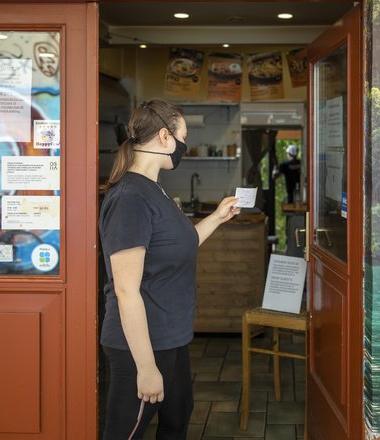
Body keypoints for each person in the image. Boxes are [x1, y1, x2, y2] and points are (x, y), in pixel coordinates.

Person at [99, 99, 240, 440]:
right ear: (165, 136)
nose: (183, 146)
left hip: (170, 337)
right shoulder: (130, 198)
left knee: (177, 418)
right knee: (125, 433)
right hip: (140, 345)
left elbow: (181, 243)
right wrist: (146, 368)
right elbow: (125, 289)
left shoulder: (156, 190)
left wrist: (218, 218)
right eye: (182, 137)